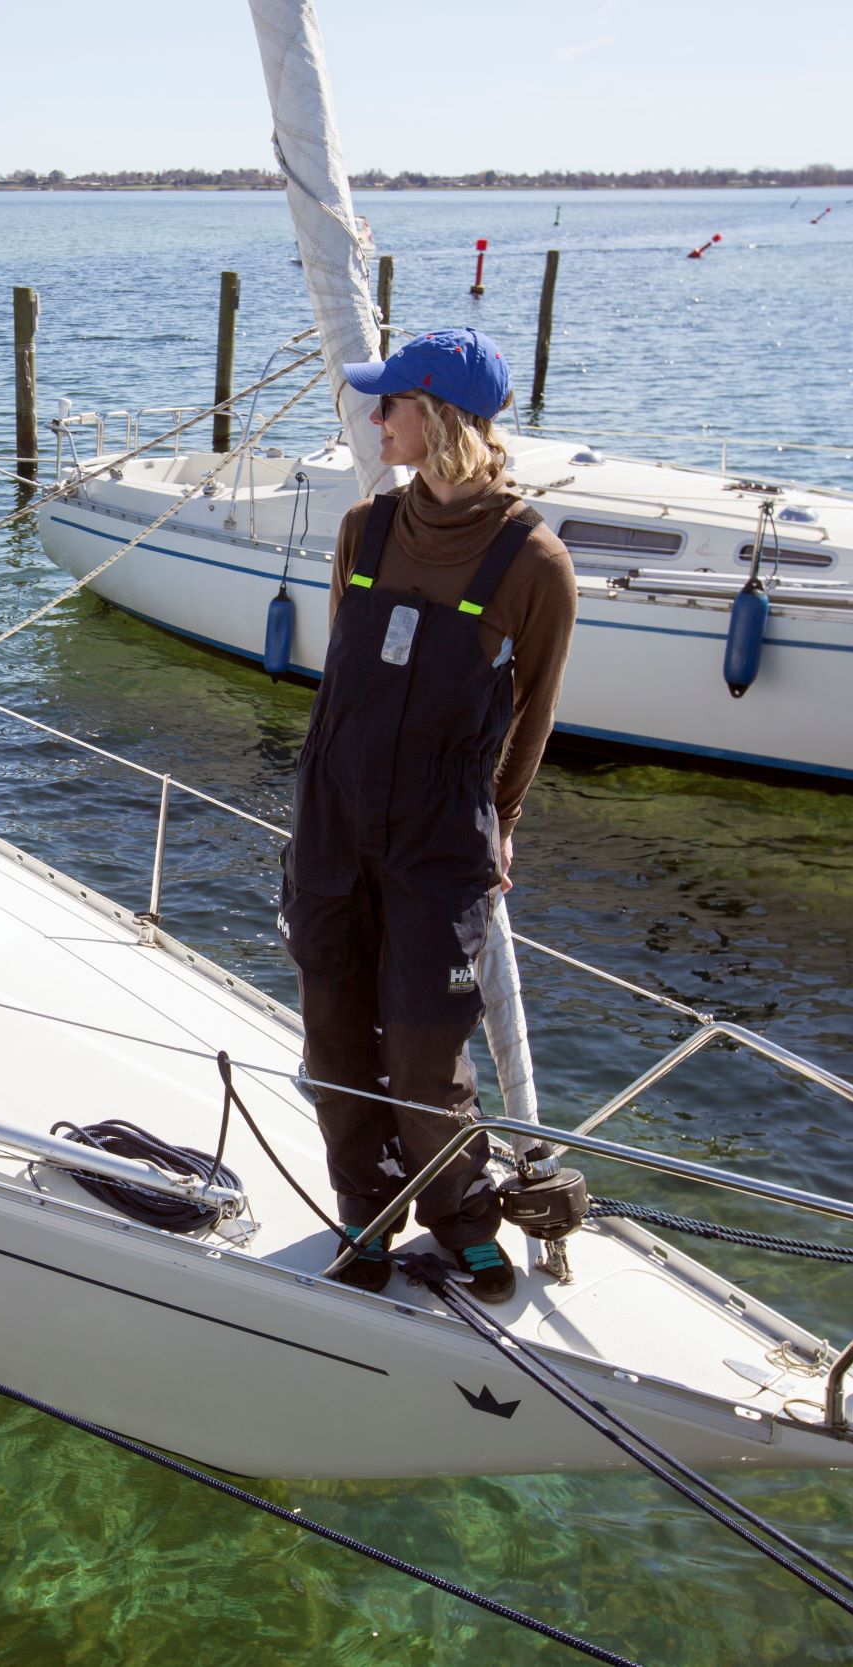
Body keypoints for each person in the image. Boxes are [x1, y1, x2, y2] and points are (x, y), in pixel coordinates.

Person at [279, 327, 576, 1304]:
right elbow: (344, 680)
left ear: (438, 415)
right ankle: (364, 1210)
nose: (374, 420)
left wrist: (501, 827)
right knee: (332, 1042)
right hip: (334, 820)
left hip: (441, 837)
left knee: (420, 1048)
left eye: (389, 403)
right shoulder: (364, 528)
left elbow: (531, 716)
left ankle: (457, 1216)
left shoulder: (532, 562)